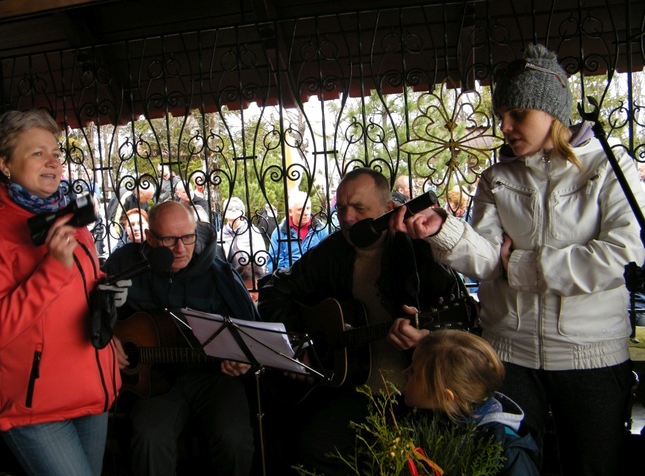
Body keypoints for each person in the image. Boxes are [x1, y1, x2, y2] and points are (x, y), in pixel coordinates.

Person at [394, 44, 645, 476]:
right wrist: (442, 230)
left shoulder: (608, 168)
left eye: (517, 114)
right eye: (501, 116)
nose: (505, 127)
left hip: (592, 357)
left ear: (553, 112)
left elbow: (624, 256)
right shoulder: (496, 178)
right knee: (507, 466)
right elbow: (489, 258)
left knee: (593, 467)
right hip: (509, 354)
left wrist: (520, 265)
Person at [257, 167, 466, 475]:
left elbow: (460, 323)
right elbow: (276, 289)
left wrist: (426, 340)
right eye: (341, 208)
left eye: (359, 208)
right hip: (353, 389)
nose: (347, 217)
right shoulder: (333, 251)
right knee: (309, 448)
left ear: (387, 209)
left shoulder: (419, 252)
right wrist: (297, 343)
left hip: (415, 393)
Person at [0, 110, 121, 475]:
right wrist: (52, 269)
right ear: (4, 163)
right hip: (34, 408)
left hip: (92, 390)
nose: (54, 162)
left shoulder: (68, 218)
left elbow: (82, 294)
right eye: (37, 153)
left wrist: (109, 311)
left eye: (56, 152)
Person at [102, 201, 258, 476]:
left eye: (187, 237)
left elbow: (252, 334)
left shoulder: (219, 274)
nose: (180, 248)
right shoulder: (124, 264)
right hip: (155, 384)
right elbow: (88, 313)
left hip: (214, 379)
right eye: (169, 239)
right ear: (149, 238)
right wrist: (108, 339)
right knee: (149, 438)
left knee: (234, 440)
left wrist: (244, 359)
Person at [402, 330, 540, 475]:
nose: (404, 372)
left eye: (413, 371)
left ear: (445, 397)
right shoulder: (419, 418)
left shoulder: (507, 451)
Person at [267, 191, 329, 271]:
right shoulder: (279, 233)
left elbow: (327, 259)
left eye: (308, 208)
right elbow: (274, 265)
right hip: (289, 280)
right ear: (290, 211)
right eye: (300, 209)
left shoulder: (321, 229)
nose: (306, 213)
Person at [221, 196, 268, 273]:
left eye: (237, 208)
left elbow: (261, 255)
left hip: (250, 274)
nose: (233, 210)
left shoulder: (253, 232)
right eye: (229, 208)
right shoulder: (220, 235)